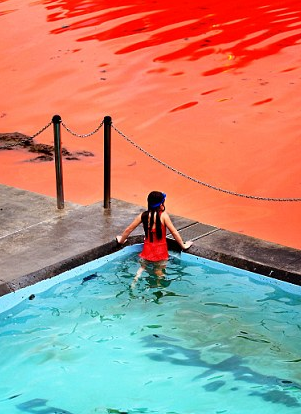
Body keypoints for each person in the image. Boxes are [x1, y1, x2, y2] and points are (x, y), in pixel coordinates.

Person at [116, 191, 193, 285]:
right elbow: (174, 233)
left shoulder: (143, 216)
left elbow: (129, 229)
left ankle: (135, 280)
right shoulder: (163, 216)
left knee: (142, 267)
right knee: (159, 272)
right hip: (160, 251)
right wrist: (183, 245)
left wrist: (121, 241)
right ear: (161, 204)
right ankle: (159, 287)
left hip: (147, 250)